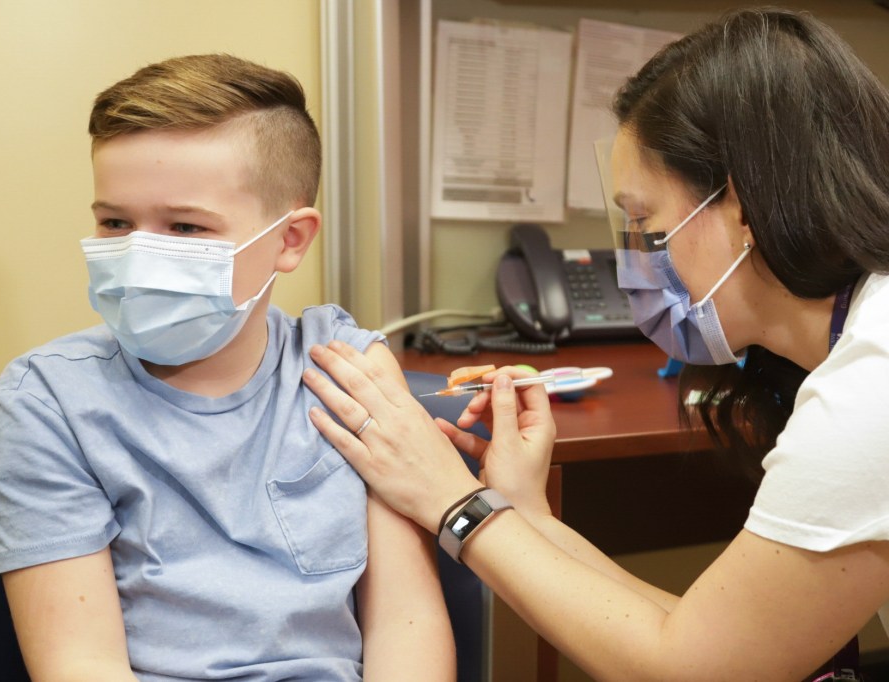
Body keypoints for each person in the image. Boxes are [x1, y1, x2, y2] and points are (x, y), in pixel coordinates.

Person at [303, 7, 889, 680]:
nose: (636, 254)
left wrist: (450, 503)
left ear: (744, 207)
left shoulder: (870, 390)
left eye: (644, 220)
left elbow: (689, 670)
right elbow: (709, 641)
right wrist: (522, 517)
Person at [0, 54, 454, 682]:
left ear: (290, 240)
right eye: (115, 222)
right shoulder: (49, 400)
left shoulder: (347, 366)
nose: (138, 255)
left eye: (184, 226)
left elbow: (407, 622)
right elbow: (79, 663)